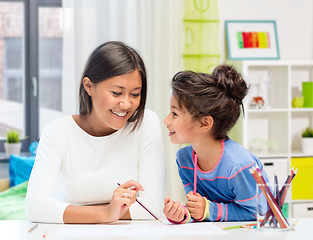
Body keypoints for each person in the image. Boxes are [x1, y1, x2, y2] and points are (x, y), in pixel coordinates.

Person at [26, 41, 166, 224]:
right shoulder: (57, 132)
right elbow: (35, 207)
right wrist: (106, 213)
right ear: (89, 86)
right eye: (116, 93)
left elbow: (152, 208)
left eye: (135, 94)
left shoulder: (145, 124)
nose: (126, 104)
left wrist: (73, 211)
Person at [163, 65, 269, 223]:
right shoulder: (184, 160)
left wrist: (208, 210)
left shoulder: (239, 165)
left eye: (175, 114)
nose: (166, 120)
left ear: (204, 123)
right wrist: (182, 214)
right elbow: (200, 209)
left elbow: (258, 213)